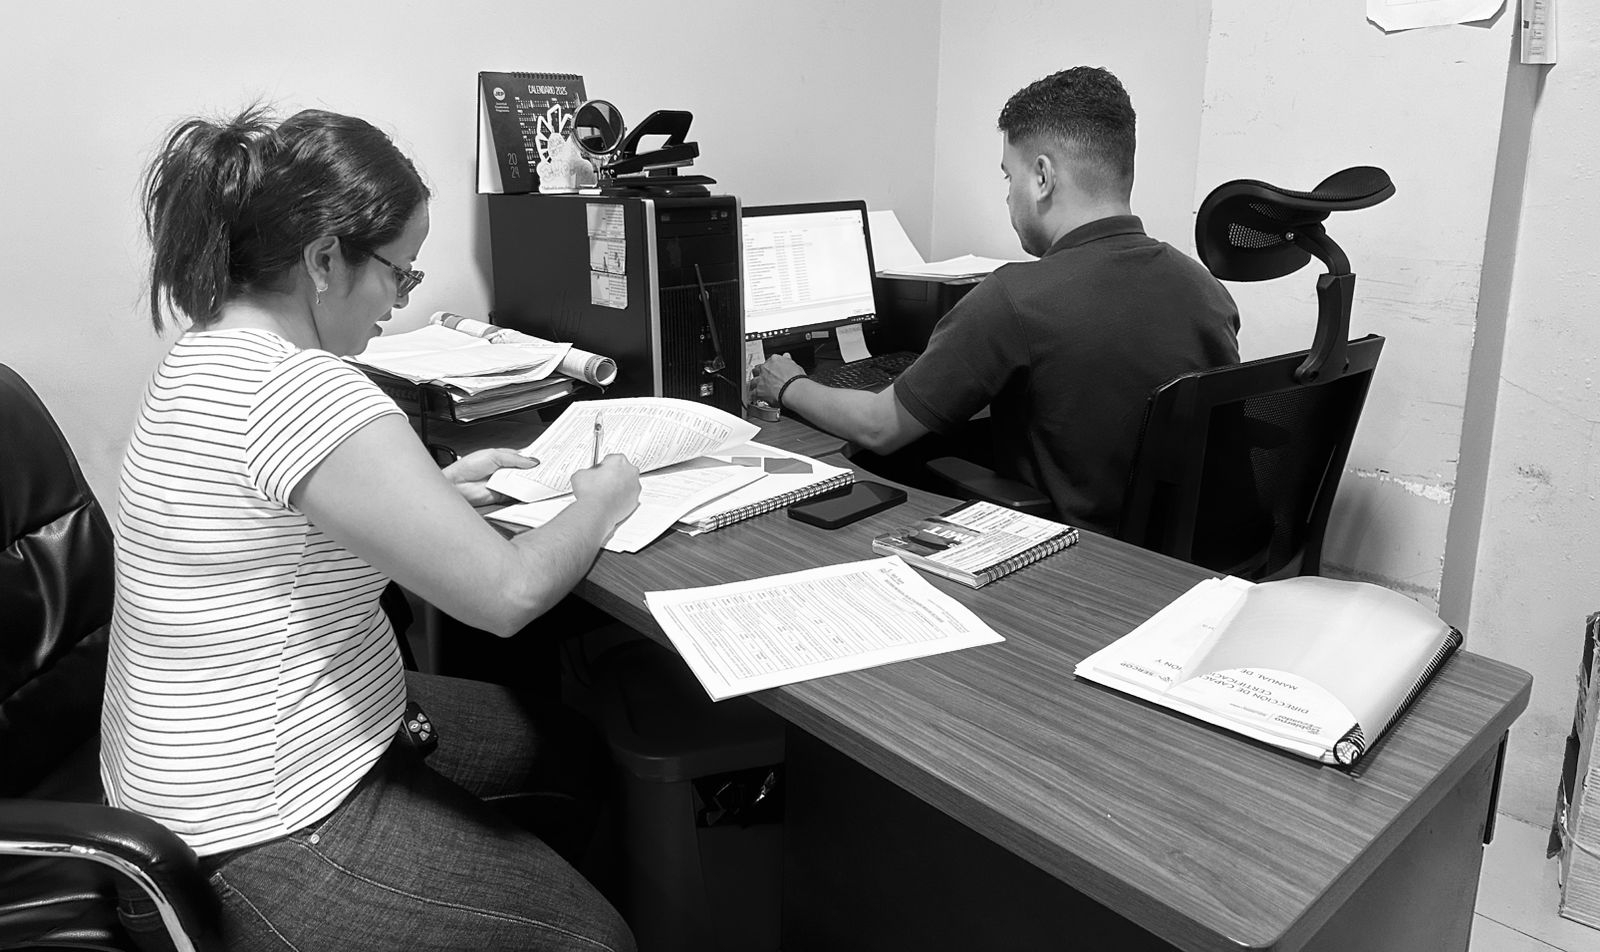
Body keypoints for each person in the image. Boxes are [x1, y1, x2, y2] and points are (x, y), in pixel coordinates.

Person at [102, 105, 641, 952]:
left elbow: (277, 533)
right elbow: (509, 595)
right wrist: (604, 498)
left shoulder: (205, 353)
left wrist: (432, 494)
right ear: (324, 259)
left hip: (183, 783)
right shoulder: (304, 390)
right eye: (400, 272)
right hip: (252, 827)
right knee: (596, 940)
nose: (400, 301)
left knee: (566, 751)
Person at [752, 66, 1240, 536]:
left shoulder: (1017, 298)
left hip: (1070, 560)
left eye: (1009, 177)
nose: (1008, 198)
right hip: (1178, 566)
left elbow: (880, 427)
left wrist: (787, 384)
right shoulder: (1205, 290)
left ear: (1042, 176)